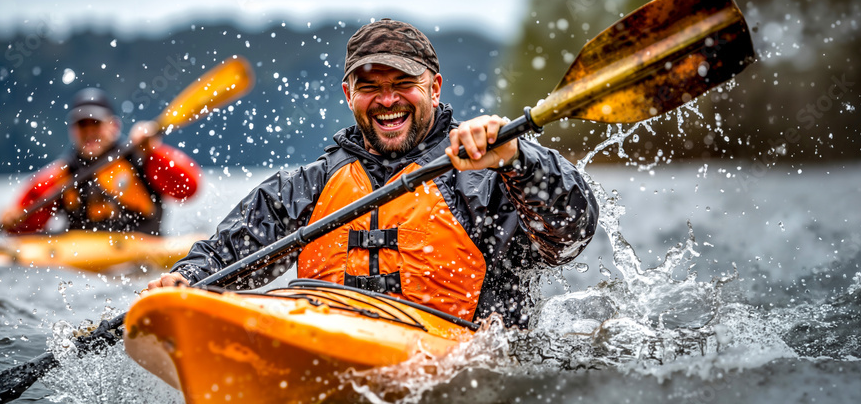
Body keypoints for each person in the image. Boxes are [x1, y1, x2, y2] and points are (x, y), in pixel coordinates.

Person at [146, 18, 598, 327]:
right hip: (335, 340)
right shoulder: (312, 185)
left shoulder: (484, 170)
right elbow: (226, 253)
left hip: (464, 358)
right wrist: (186, 279)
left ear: (434, 88)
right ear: (348, 94)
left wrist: (519, 158)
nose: (387, 99)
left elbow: (574, 232)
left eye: (403, 84)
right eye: (370, 87)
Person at [0, 88, 202, 236]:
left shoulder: (140, 159)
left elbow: (189, 188)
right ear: (73, 131)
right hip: (81, 261)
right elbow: (24, 226)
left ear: (114, 126)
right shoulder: (63, 174)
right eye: (82, 125)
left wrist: (153, 152)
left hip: (139, 256)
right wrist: (13, 220)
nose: (89, 132)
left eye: (96, 123)